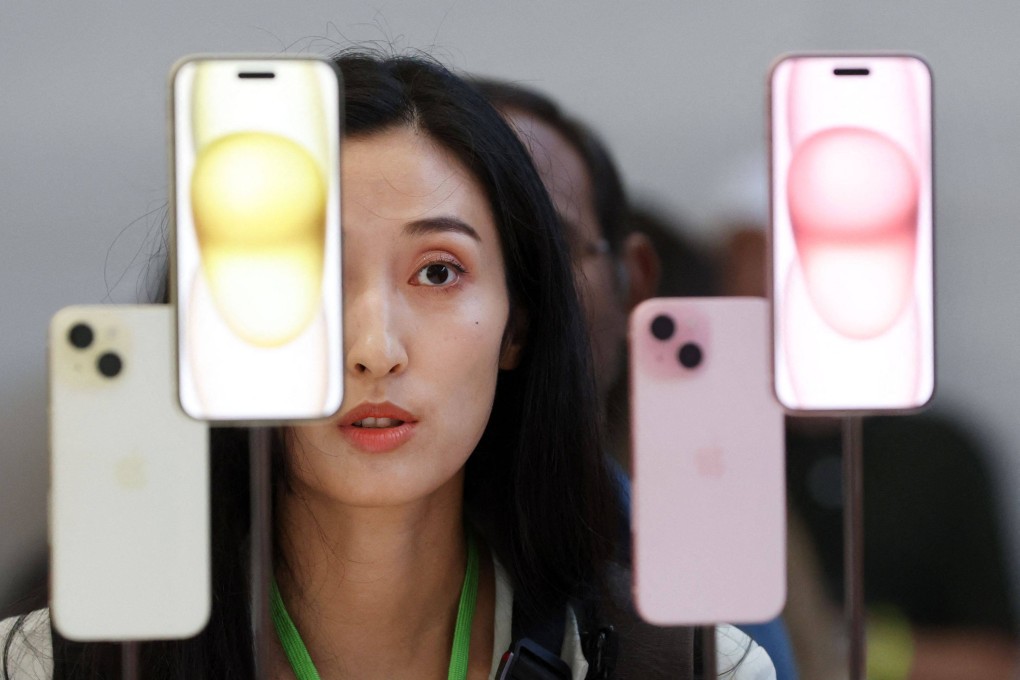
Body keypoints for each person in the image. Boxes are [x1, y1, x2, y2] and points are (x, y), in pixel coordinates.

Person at [1, 51, 696, 679]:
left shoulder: (683, 666)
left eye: (437, 273)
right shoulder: (47, 668)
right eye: (315, 274)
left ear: (517, 324)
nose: (374, 351)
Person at [475, 79, 782, 679]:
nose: (502, 301)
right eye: (441, 266)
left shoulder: (710, 571)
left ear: (633, 283)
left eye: (546, 246)